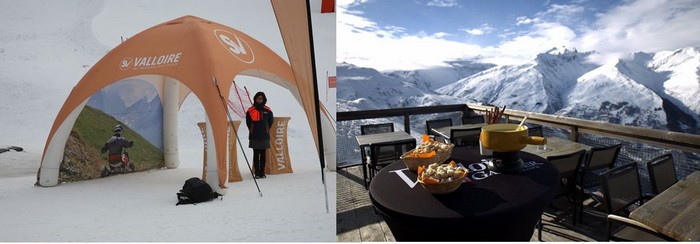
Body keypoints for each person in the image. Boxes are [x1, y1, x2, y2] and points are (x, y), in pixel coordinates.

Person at [246, 91, 274, 179]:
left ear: (264, 99)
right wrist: (252, 129)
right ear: (255, 99)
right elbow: (248, 123)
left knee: (263, 154)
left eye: (261, 98)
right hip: (254, 135)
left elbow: (270, 122)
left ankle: (262, 173)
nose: (259, 100)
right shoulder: (250, 110)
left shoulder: (268, 110)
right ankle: (257, 173)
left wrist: (265, 129)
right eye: (258, 98)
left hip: (264, 136)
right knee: (255, 154)